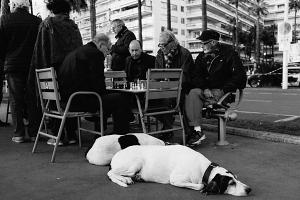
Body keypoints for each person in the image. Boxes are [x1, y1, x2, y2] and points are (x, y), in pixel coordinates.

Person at [29, 0, 83, 145]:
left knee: (54, 102)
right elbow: (79, 50)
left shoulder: (47, 24)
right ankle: (71, 135)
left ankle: (56, 136)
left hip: (53, 70)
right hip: (72, 72)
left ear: (53, 10)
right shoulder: (73, 26)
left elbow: (41, 51)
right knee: (70, 100)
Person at [57, 33, 131, 136]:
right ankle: (121, 134)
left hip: (65, 100)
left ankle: (101, 130)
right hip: (78, 101)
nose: (108, 53)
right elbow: (98, 84)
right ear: (101, 45)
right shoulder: (95, 54)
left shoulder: (76, 52)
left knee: (109, 97)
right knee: (119, 98)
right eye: (108, 49)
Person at [184, 30, 247, 146]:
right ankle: (197, 132)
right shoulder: (201, 56)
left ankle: (194, 133)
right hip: (207, 90)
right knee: (192, 93)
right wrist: (205, 88)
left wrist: (224, 89)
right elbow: (195, 75)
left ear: (213, 42)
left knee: (191, 100)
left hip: (223, 91)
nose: (201, 46)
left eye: (203, 43)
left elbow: (240, 77)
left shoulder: (230, 54)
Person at [0, 0, 41, 142]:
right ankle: (34, 132)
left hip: (13, 66)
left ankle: (19, 134)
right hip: (32, 65)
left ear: (14, 5)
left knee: (15, 99)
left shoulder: (5, 20)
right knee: (33, 99)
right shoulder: (36, 21)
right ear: (26, 5)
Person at [155, 30, 194, 139]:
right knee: (148, 101)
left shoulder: (184, 53)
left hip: (181, 90)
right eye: (160, 45)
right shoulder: (159, 55)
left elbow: (185, 78)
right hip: (164, 90)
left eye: (164, 45)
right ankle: (168, 125)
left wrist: (170, 85)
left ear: (172, 42)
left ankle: (168, 129)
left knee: (166, 101)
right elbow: (157, 76)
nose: (161, 47)